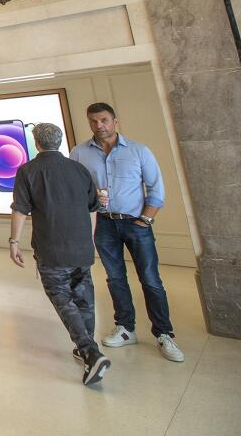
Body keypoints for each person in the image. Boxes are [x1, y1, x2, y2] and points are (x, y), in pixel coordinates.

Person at [70, 102, 184, 363]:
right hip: (104, 224)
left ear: (115, 121)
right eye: (94, 122)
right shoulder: (79, 153)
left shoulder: (138, 151)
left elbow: (156, 188)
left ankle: (164, 333)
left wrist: (145, 219)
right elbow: (75, 188)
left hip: (136, 223)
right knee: (115, 278)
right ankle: (125, 328)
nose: (99, 126)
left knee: (150, 278)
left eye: (104, 120)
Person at [8, 123, 107, 385]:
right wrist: (90, 238)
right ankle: (86, 347)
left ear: (36, 143)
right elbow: (92, 209)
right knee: (84, 297)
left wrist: (14, 241)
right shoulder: (79, 169)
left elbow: (20, 209)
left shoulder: (28, 171)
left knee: (62, 298)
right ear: (59, 141)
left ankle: (89, 351)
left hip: (52, 247)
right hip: (81, 245)